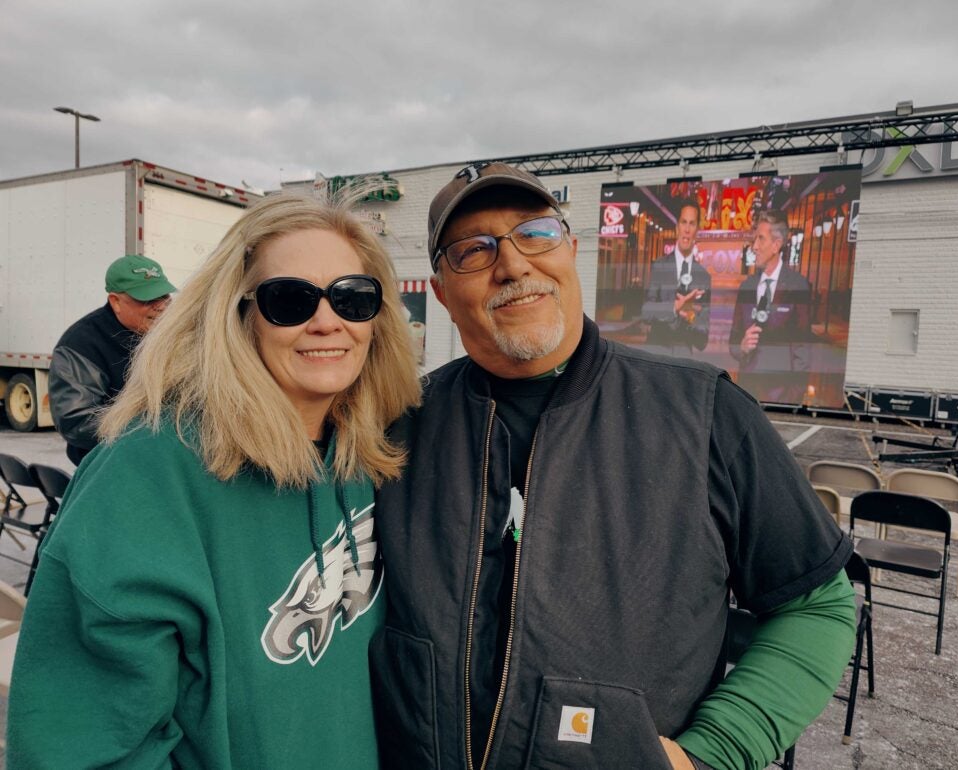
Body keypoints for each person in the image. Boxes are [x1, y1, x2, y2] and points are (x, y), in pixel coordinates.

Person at [370, 163, 856, 770]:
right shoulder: (399, 428)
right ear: (440, 290)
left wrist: (717, 752)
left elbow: (817, 605)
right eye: (474, 250)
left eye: (535, 233)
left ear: (571, 251)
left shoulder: (704, 413)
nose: (514, 264)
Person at [8, 193, 420, 768]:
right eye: (290, 299)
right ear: (237, 314)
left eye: (353, 298)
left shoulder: (376, 453)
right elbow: (83, 745)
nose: (327, 320)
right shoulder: (146, 474)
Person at [49, 253, 176, 465]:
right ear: (116, 302)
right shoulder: (81, 344)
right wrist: (149, 433)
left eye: (165, 296)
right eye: (148, 299)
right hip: (108, 463)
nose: (161, 306)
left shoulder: (169, 333)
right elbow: (76, 421)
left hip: (161, 457)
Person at [728, 211, 812, 404]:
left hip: (781, 395)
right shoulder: (746, 287)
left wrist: (794, 396)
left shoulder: (797, 286)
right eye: (755, 238)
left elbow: (803, 349)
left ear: (776, 245)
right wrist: (741, 347)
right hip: (746, 392)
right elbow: (733, 339)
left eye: (761, 239)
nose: (754, 246)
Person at [640, 196, 712, 355]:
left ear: (697, 231)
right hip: (656, 354)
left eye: (692, 223)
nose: (687, 229)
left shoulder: (703, 277)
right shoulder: (659, 266)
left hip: (683, 362)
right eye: (683, 222)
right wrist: (674, 308)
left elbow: (702, 341)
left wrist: (690, 316)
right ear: (677, 227)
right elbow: (646, 312)